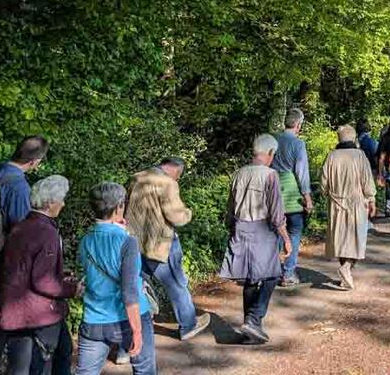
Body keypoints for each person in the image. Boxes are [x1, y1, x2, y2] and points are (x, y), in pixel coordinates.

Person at [0, 135, 49, 375]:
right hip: (4, 261)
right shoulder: (18, 186)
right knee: (9, 321)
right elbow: (21, 235)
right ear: (35, 161)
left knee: (2, 319)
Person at [0, 175, 78, 375]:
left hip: (15, 310)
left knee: (21, 366)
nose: (63, 204)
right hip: (39, 314)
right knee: (47, 362)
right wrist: (72, 289)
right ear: (50, 203)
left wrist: (59, 274)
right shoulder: (47, 232)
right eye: (61, 199)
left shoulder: (20, 227)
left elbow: (24, 267)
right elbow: (43, 282)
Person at [75, 182, 156, 375]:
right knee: (144, 370)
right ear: (120, 206)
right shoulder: (127, 241)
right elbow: (129, 291)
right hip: (126, 320)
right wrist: (137, 331)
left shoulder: (85, 240)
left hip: (93, 319)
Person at [125, 158, 209, 341]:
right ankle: (188, 325)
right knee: (176, 283)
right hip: (159, 242)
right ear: (176, 170)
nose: (177, 179)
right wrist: (188, 213)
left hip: (134, 241)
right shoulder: (167, 183)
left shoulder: (137, 177)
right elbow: (177, 217)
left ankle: (133, 329)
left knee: (137, 284)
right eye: (179, 175)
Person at [220, 134, 290, 344]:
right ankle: (254, 318)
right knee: (272, 275)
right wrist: (286, 238)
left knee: (250, 279)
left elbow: (230, 207)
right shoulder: (270, 175)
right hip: (262, 230)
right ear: (270, 153)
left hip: (240, 229)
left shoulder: (238, 173)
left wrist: (231, 228)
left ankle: (249, 329)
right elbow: (276, 214)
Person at [320, 125, 376, 290]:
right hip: (356, 203)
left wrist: (326, 193)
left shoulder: (331, 156)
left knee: (340, 239)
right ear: (354, 138)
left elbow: (324, 182)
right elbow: (367, 180)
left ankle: (346, 273)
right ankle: (347, 268)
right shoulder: (360, 156)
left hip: (336, 204)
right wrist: (371, 199)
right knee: (356, 239)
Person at [272, 109, 313, 289]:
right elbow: (302, 172)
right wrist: (307, 198)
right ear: (298, 124)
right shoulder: (298, 143)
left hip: (274, 191)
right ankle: (288, 273)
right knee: (294, 232)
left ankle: (270, 271)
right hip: (292, 193)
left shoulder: (274, 140)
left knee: (276, 232)